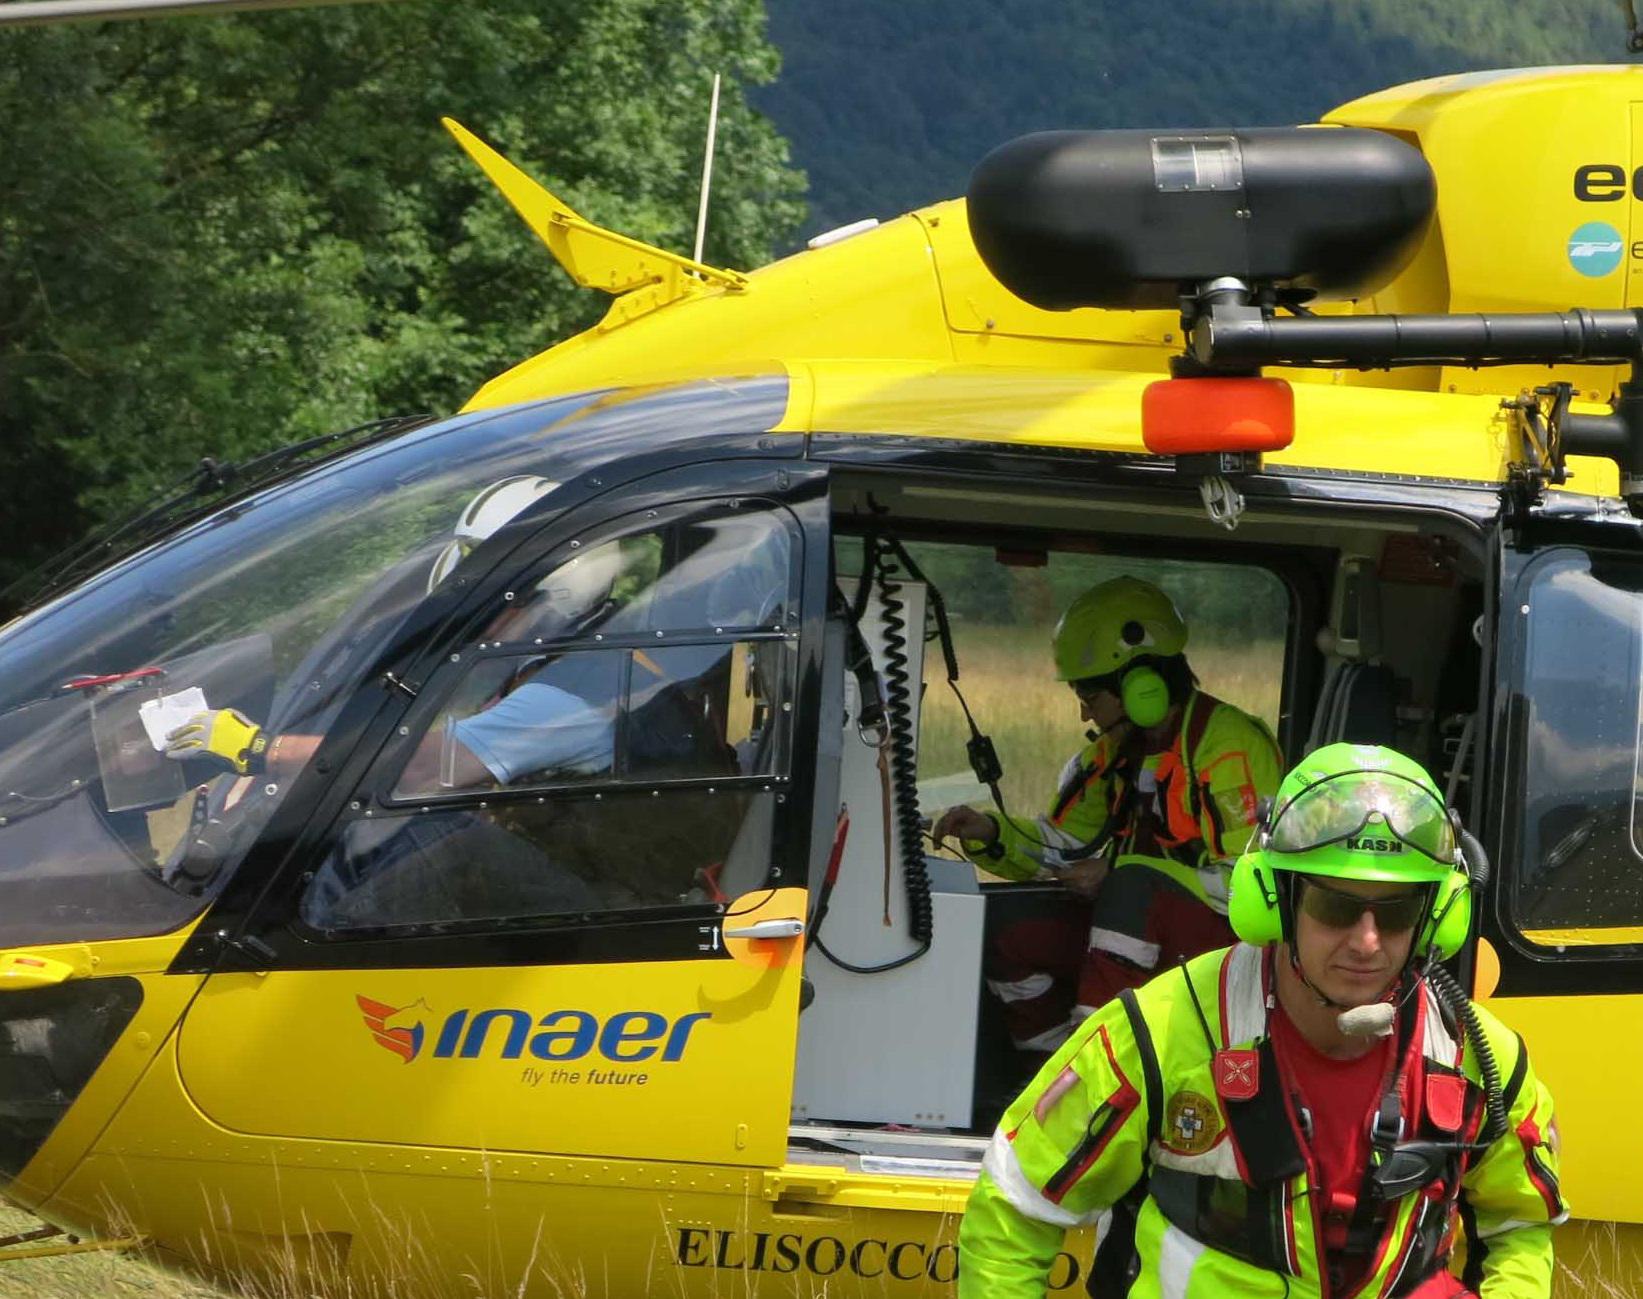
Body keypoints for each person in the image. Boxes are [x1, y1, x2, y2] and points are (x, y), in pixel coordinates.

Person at [959, 743, 1566, 1299]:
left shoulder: (1481, 1058)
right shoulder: (1162, 1030)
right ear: (1275, 897)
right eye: (1336, 905)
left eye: (1399, 910)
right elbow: (1015, 1209)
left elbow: (1519, 1228)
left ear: (1437, 918)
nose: (1367, 941)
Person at [933, 576, 1282, 1053]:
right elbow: (1061, 843)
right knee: (1008, 929)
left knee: (1131, 884)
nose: (1084, 717)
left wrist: (1120, 874)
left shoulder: (1229, 746)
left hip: (1216, 946)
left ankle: (1090, 1073)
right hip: (1130, 927)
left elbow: (1252, 885)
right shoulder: (1112, 755)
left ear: (1142, 686)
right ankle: (1044, 1069)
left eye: (1090, 699)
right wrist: (990, 832)